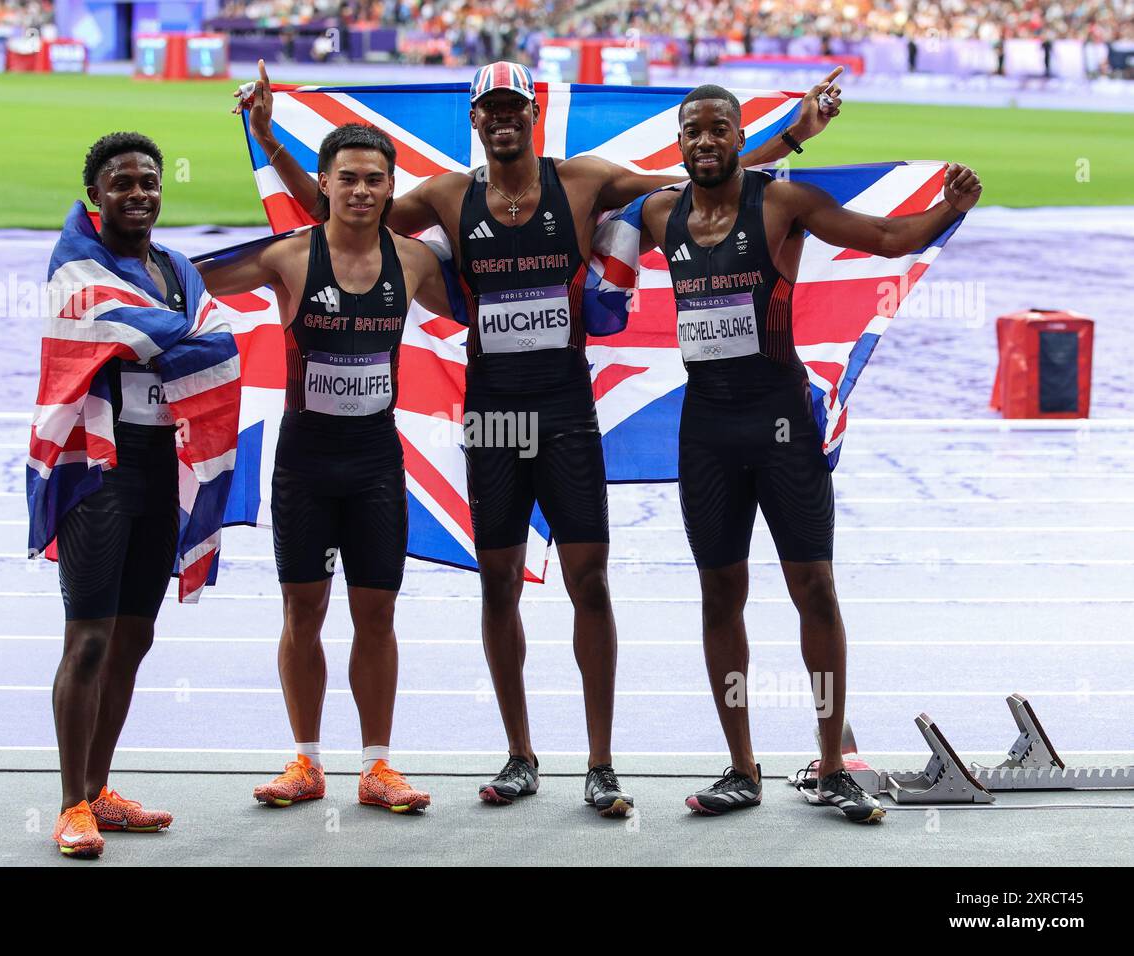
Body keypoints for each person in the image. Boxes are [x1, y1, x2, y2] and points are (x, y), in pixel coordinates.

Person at [239, 59, 843, 815]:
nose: (502, 120)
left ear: (533, 114)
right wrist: (269, 140)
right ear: (475, 119)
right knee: (498, 586)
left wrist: (794, 133)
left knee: (589, 581)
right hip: (493, 414)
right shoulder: (446, 196)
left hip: (565, 410)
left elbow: (694, 174)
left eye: (513, 108)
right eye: (489, 109)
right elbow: (341, 220)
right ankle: (521, 756)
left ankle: (600, 763)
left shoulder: (584, 181)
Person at [635, 84, 981, 823]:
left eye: (718, 130)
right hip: (706, 433)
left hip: (782, 425)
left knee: (814, 590)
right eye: (692, 131)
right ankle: (741, 769)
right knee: (719, 597)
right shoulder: (661, 214)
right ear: (679, 139)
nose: (705, 141)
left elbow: (887, 240)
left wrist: (950, 207)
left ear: (736, 134)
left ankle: (831, 767)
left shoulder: (782, 206)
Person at [197, 123, 454, 813]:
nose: (363, 189)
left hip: (375, 462)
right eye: (348, 178)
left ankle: (376, 766)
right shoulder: (287, 259)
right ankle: (306, 762)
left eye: (375, 178)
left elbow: (483, 307)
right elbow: (187, 283)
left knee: (376, 614)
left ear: (391, 186)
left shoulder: (416, 261)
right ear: (326, 185)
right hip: (305, 462)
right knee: (302, 610)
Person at [48, 133, 189, 857]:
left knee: (135, 636)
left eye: (149, 182)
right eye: (122, 183)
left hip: (162, 468)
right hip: (96, 468)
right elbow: (125, 328)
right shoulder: (77, 266)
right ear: (96, 193)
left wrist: (180, 336)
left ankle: (99, 789)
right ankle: (71, 805)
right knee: (91, 637)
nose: (138, 193)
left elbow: (212, 342)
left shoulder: (175, 269)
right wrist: (181, 334)